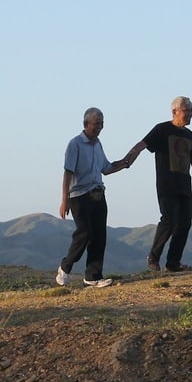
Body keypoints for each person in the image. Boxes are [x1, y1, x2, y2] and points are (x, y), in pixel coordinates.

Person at [124, 96, 192, 272]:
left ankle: (173, 262)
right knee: (168, 220)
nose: (190, 115)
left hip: (185, 184)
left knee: (184, 224)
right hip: (167, 184)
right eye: (187, 111)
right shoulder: (162, 129)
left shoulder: (189, 134)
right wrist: (129, 158)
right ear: (175, 112)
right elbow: (143, 144)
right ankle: (153, 257)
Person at [56, 107, 130, 287]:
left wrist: (123, 163)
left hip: (98, 193)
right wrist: (64, 199)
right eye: (97, 124)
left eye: (102, 124)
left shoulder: (98, 144)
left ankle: (93, 277)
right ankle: (65, 267)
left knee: (99, 235)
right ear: (86, 124)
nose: (99, 127)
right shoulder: (75, 144)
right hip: (79, 195)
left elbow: (106, 168)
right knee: (84, 232)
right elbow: (67, 173)